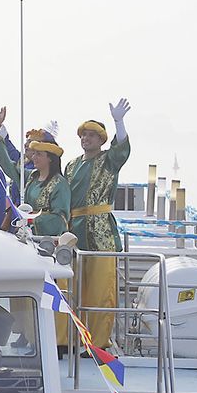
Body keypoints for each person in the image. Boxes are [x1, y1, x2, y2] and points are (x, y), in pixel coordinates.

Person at [67, 100, 133, 350]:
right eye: (84, 135)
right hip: (75, 230)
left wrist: (119, 122)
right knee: (75, 287)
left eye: (92, 135)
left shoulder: (108, 160)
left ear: (102, 140)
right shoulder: (72, 164)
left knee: (100, 290)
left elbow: (122, 150)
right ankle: (74, 337)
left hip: (100, 231)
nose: (86, 139)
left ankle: (98, 342)